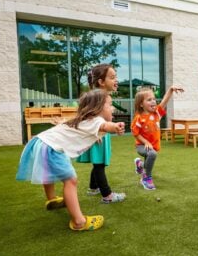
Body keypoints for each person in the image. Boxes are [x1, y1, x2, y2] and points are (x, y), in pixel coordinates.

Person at [16, 90, 125, 231]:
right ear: (98, 107)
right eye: (110, 105)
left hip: (41, 142)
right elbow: (105, 126)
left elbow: (90, 131)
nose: (113, 108)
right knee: (71, 180)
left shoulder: (83, 120)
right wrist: (115, 127)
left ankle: (52, 199)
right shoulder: (96, 120)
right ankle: (79, 222)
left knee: (48, 171)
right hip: (51, 147)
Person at [76, 64, 126, 204]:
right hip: (98, 135)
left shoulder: (101, 96)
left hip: (102, 132)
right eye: (112, 77)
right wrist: (95, 133)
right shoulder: (99, 97)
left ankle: (93, 188)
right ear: (101, 82)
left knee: (99, 163)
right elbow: (84, 115)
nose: (116, 80)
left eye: (116, 77)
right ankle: (107, 195)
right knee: (99, 163)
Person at [131, 86, 184, 190]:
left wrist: (170, 90)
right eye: (149, 100)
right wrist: (145, 142)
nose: (153, 102)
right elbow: (135, 133)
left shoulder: (156, 114)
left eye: (154, 99)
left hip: (153, 146)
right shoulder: (139, 118)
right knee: (152, 154)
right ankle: (146, 178)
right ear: (141, 104)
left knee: (150, 158)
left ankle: (139, 164)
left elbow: (164, 102)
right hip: (141, 146)